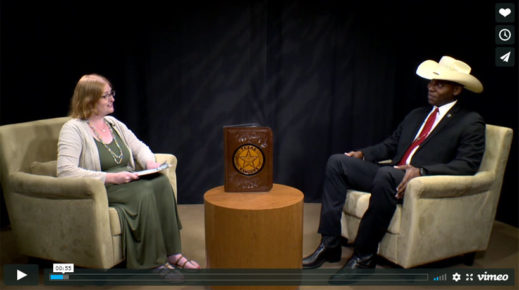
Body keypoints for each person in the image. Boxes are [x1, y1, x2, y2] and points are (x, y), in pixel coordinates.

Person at [302, 56, 486, 271]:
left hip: (418, 182)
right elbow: (390, 146)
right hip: (389, 174)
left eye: (440, 84)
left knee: (386, 175)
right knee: (337, 162)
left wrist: (422, 171)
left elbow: (467, 165)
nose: (431, 87)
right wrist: (363, 154)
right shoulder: (417, 115)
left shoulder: (470, 122)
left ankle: (364, 255)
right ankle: (330, 244)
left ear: (456, 90)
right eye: (431, 82)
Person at [57, 74, 200, 270]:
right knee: (144, 193)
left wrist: (149, 161)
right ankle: (155, 264)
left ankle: (174, 254)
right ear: (90, 99)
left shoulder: (113, 124)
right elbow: (65, 171)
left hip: (127, 179)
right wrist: (110, 177)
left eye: (111, 94)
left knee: (160, 183)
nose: (112, 99)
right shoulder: (73, 129)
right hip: (103, 187)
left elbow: (139, 146)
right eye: (106, 96)